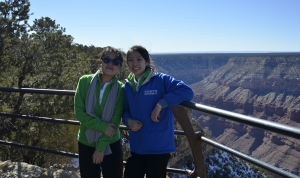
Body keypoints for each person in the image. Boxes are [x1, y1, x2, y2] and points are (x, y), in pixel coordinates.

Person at [122, 45, 194, 178]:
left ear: (147, 61)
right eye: (131, 60)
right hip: (138, 146)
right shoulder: (128, 86)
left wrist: (161, 104)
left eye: (139, 59)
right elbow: (125, 110)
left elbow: (187, 91)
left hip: (158, 147)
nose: (135, 63)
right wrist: (128, 121)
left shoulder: (160, 80)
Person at [74, 46, 124, 178]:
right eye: (107, 59)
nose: (110, 64)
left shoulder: (120, 89)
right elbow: (80, 113)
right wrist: (102, 126)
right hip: (86, 141)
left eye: (116, 62)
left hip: (111, 142)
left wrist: (100, 148)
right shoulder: (84, 81)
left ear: (120, 67)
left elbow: (115, 121)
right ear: (100, 61)